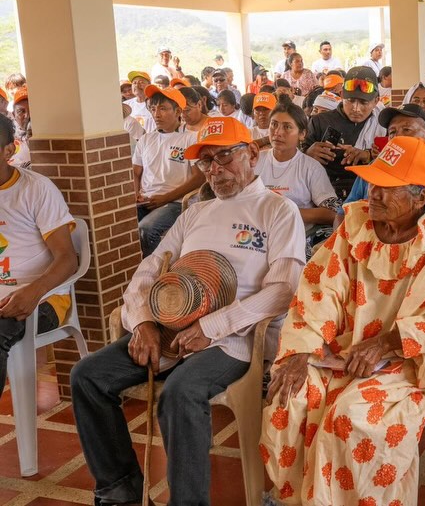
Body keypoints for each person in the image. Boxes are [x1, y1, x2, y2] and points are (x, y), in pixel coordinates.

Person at [73, 117, 305, 506]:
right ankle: (119, 488)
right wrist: (144, 322)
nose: (215, 169)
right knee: (88, 376)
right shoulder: (196, 212)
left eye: (224, 156)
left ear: (251, 153)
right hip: (168, 329)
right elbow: (149, 269)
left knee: (180, 393)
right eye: (206, 161)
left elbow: (282, 291)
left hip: (233, 339)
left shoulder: (278, 211)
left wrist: (214, 326)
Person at [260, 136, 425, 506]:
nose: (373, 194)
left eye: (387, 187)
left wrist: (386, 343)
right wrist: (302, 350)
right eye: (373, 183)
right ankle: (299, 499)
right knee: (290, 397)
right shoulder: (356, 223)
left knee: (351, 416)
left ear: (421, 198)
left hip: (408, 357)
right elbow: (321, 289)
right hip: (343, 346)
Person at [0, 115, 77, 401]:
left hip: (44, 299)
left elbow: (68, 259)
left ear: (10, 150)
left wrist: (33, 292)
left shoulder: (36, 189)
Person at [337, 103, 425, 229]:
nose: (398, 137)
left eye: (407, 130)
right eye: (392, 132)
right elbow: (344, 212)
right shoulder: (376, 167)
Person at [132, 86, 204, 257]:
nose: (157, 114)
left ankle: (155, 275)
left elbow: (199, 178)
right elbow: (135, 172)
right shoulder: (146, 139)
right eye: (153, 108)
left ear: (178, 111)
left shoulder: (191, 138)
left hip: (176, 203)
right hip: (145, 200)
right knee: (119, 224)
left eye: (163, 108)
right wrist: (135, 194)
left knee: (146, 230)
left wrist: (165, 198)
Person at [255, 95, 339, 234]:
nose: (278, 132)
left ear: (302, 134)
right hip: (258, 235)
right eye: (274, 124)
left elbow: (332, 213)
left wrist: (286, 211)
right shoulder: (256, 161)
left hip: (298, 237)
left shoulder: (311, 168)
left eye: (287, 127)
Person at [304, 67, 384, 198]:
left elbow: (393, 165)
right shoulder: (319, 121)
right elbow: (297, 161)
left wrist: (367, 155)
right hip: (323, 192)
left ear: (376, 101)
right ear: (341, 95)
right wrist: (307, 153)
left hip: (370, 193)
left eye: (364, 102)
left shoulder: (383, 125)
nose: (356, 108)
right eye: (350, 100)